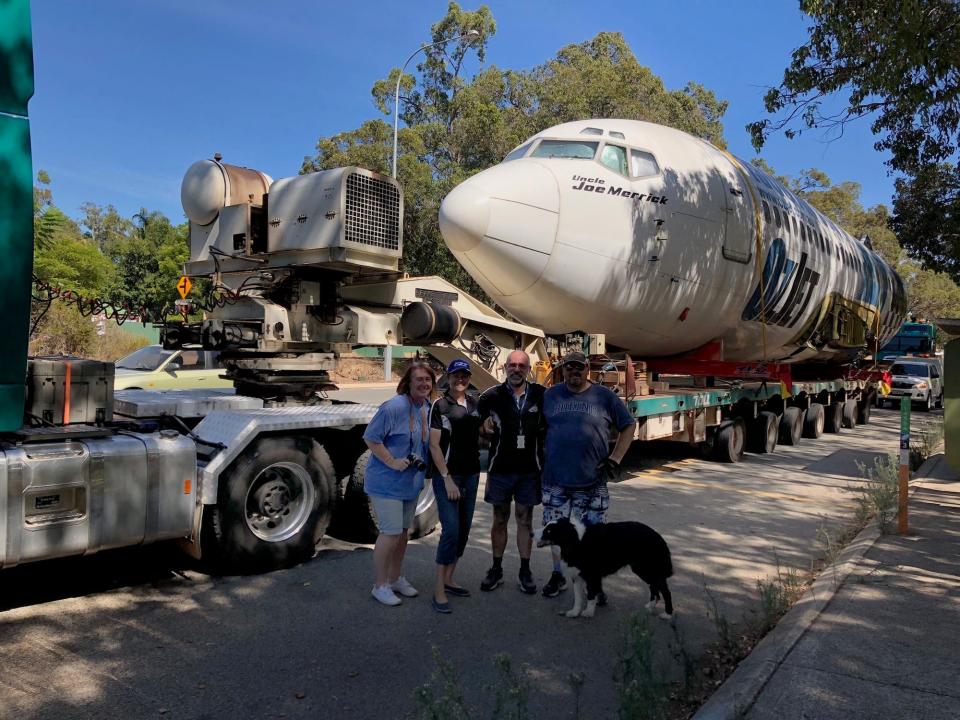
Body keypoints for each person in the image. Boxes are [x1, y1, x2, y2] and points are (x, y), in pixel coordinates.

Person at [540, 351, 636, 599]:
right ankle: (558, 575)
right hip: (555, 481)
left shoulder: (604, 397)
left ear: (587, 370)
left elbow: (628, 425)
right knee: (557, 535)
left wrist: (616, 458)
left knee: (593, 539)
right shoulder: (550, 396)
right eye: (569, 368)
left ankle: (595, 584)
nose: (574, 372)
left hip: (592, 482)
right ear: (563, 370)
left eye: (579, 368)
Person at [362, 360, 437, 606]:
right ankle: (380, 585)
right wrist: (392, 461)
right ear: (408, 383)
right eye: (419, 380)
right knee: (390, 532)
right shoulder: (393, 407)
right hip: (387, 483)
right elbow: (371, 438)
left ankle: (396, 578)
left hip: (410, 484)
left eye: (428, 380)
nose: (424, 384)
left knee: (403, 533)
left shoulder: (426, 407)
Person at [477, 350, 546, 594]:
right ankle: (496, 568)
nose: (516, 369)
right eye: (512, 365)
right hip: (500, 470)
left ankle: (525, 570)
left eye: (521, 366)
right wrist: (483, 430)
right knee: (499, 519)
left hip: (530, 471)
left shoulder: (540, 395)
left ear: (529, 369)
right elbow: (473, 424)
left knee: (525, 519)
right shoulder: (491, 396)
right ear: (505, 367)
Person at [427, 358, 482, 614]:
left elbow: (478, 434)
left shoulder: (474, 404)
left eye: (464, 375)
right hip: (449, 477)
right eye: (456, 375)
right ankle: (438, 589)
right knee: (450, 530)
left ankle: (450, 578)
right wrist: (447, 477)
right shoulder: (440, 406)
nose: (460, 379)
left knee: (463, 531)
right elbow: (434, 446)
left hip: (471, 475)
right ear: (447, 378)